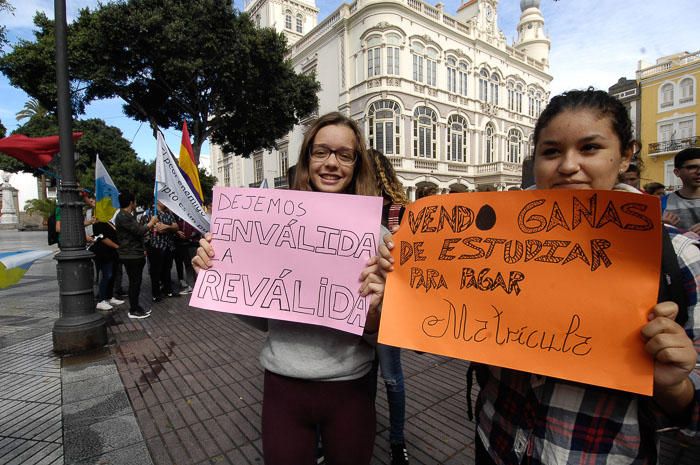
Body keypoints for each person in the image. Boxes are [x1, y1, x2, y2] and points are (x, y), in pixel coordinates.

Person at [378, 89, 700, 465]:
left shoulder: (677, 257)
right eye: (551, 152)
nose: (567, 165)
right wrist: (401, 295)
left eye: (590, 148)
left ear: (626, 154)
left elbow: (688, 410)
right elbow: (436, 336)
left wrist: (673, 384)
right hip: (495, 443)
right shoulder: (487, 240)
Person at [193, 112, 387, 465]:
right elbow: (262, 320)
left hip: (351, 389)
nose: (332, 163)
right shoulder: (274, 222)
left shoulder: (377, 238)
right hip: (283, 387)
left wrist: (374, 316)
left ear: (357, 164)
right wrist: (218, 270)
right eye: (321, 152)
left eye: (345, 155)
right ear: (307, 159)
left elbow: (384, 337)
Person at [369, 148, 410, 465]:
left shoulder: (396, 212)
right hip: (359, 308)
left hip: (388, 311)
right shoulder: (351, 208)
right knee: (368, 376)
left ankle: (397, 441)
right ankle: (363, 430)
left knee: (391, 377)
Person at [115, 190, 158, 319]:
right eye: (135, 201)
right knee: (134, 283)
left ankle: (136, 306)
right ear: (131, 202)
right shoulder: (123, 216)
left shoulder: (127, 215)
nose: (136, 204)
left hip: (134, 253)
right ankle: (133, 309)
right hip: (130, 255)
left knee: (136, 282)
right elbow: (139, 231)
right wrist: (151, 223)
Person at [142, 202, 179, 302]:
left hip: (168, 246)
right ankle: (156, 294)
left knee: (167, 269)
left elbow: (176, 227)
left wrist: (167, 227)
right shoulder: (151, 213)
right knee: (155, 272)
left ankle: (168, 290)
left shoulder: (169, 213)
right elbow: (159, 229)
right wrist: (171, 227)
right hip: (156, 246)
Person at [661, 148, 700, 234]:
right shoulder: (662, 203)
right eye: (692, 167)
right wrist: (663, 228)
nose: (698, 172)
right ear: (677, 172)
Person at [92, 218, 124, 311]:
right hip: (103, 253)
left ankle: (109, 297)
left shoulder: (108, 222)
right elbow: (103, 238)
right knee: (107, 275)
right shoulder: (98, 223)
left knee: (112, 274)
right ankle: (101, 300)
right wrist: (117, 246)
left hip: (112, 253)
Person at [173, 216, 200, 294]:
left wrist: (189, 236)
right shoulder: (179, 216)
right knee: (188, 265)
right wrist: (178, 233)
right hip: (184, 244)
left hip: (193, 244)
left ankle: (199, 285)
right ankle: (191, 286)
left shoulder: (193, 215)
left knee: (196, 265)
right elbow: (177, 228)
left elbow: (197, 229)